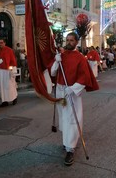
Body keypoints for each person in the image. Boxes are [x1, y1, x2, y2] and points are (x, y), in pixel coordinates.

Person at [51, 32, 99, 166]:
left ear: (76, 42)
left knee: (72, 119)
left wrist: (72, 89)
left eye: (71, 40)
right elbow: (53, 73)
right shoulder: (62, 55)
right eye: (67, 40)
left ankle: (70, 149)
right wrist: (56, 61)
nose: (69, 42)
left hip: (72, 91)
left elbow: (84, 77)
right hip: (61, 90)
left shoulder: (80, 58)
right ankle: (66, 142)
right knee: (64, 118)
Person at [0, 38, 18, 107]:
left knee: (9, 85)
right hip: (0, 71)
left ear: (5, 43)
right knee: (1, 86)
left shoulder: (9, 50)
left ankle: (14, 98)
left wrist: (13, 71)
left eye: (1, 42)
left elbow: (12, 60)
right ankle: (4, 101)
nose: (0, 44)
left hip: (7, 71)